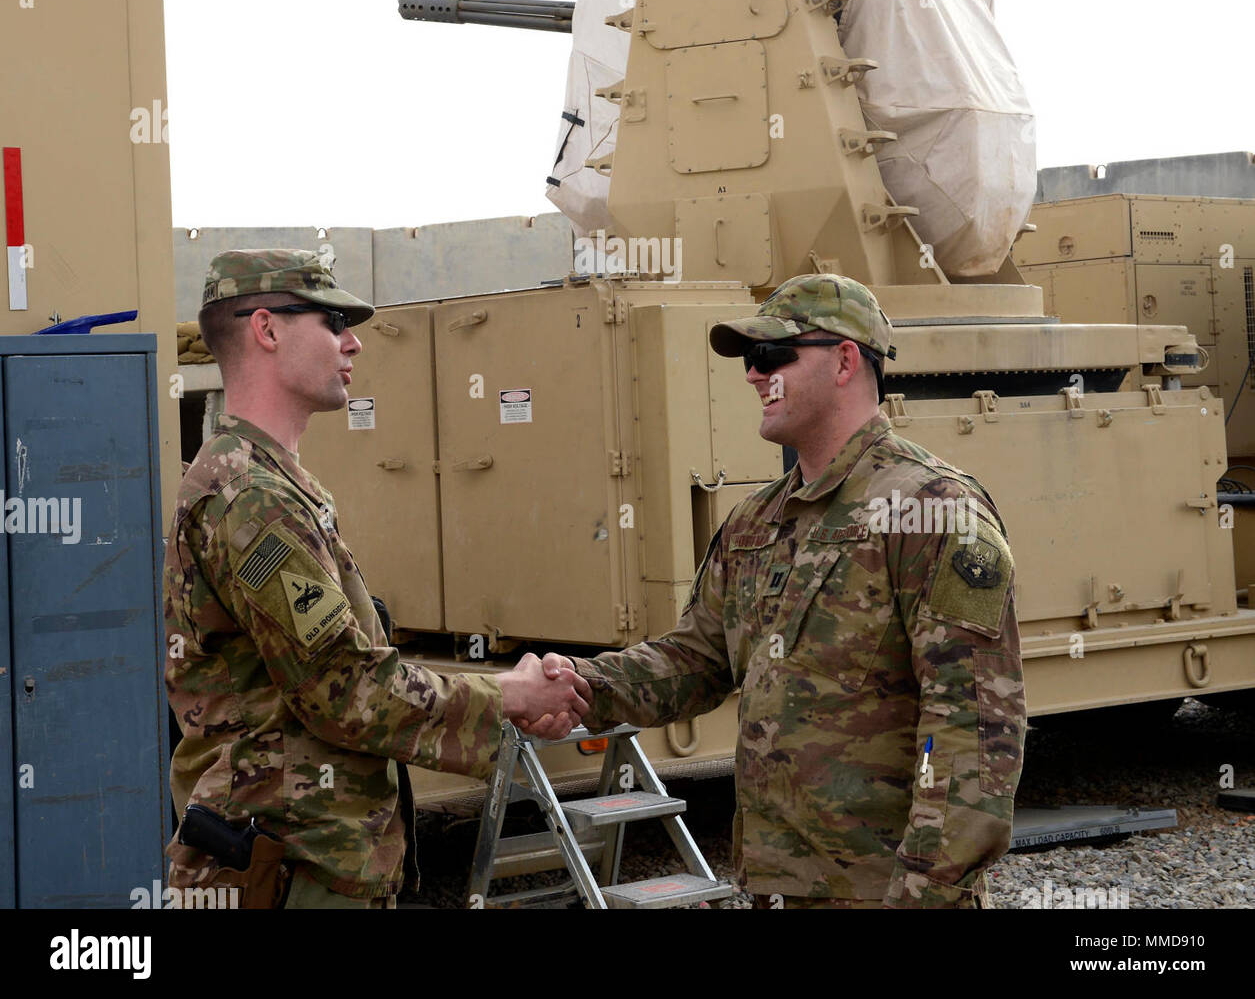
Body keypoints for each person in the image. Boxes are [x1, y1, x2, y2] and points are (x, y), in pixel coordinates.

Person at [529, 274, 1025, 908]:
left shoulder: (932, 511)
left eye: (770, 357)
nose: (752, 375)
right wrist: (580, 683)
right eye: (747, 360)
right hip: (774, 889)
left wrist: (928, 892)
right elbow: (696, 661)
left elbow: (972, 728)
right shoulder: (757, 522)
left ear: (846, 360)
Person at [164, 248, 589, 908]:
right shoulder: (248, 493)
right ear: (267, 329)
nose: (354, 341)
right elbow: (346, 688)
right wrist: (508, 694)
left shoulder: (269, 479)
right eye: (333, 320)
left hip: (308, 860)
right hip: (286, 868)